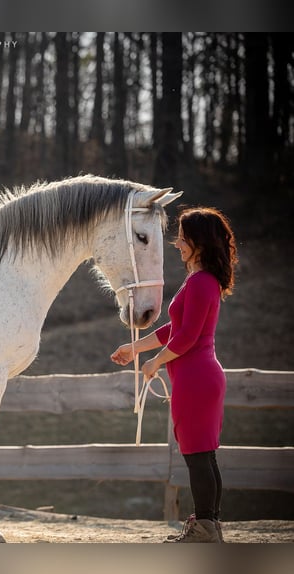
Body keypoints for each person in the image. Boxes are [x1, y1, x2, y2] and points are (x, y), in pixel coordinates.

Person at [111, 206, 238, 543]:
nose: (177, 243)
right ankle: (209, 524)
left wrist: (154, 364)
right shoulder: (200, 281)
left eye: (183, 237)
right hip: (198, 378)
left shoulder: (200, 283)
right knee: (203, 454)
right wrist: (135, 349)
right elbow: (174, 329)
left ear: (199, 242)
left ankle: (206, 528)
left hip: (196, 379)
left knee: (198, 455)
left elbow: (186, 338)